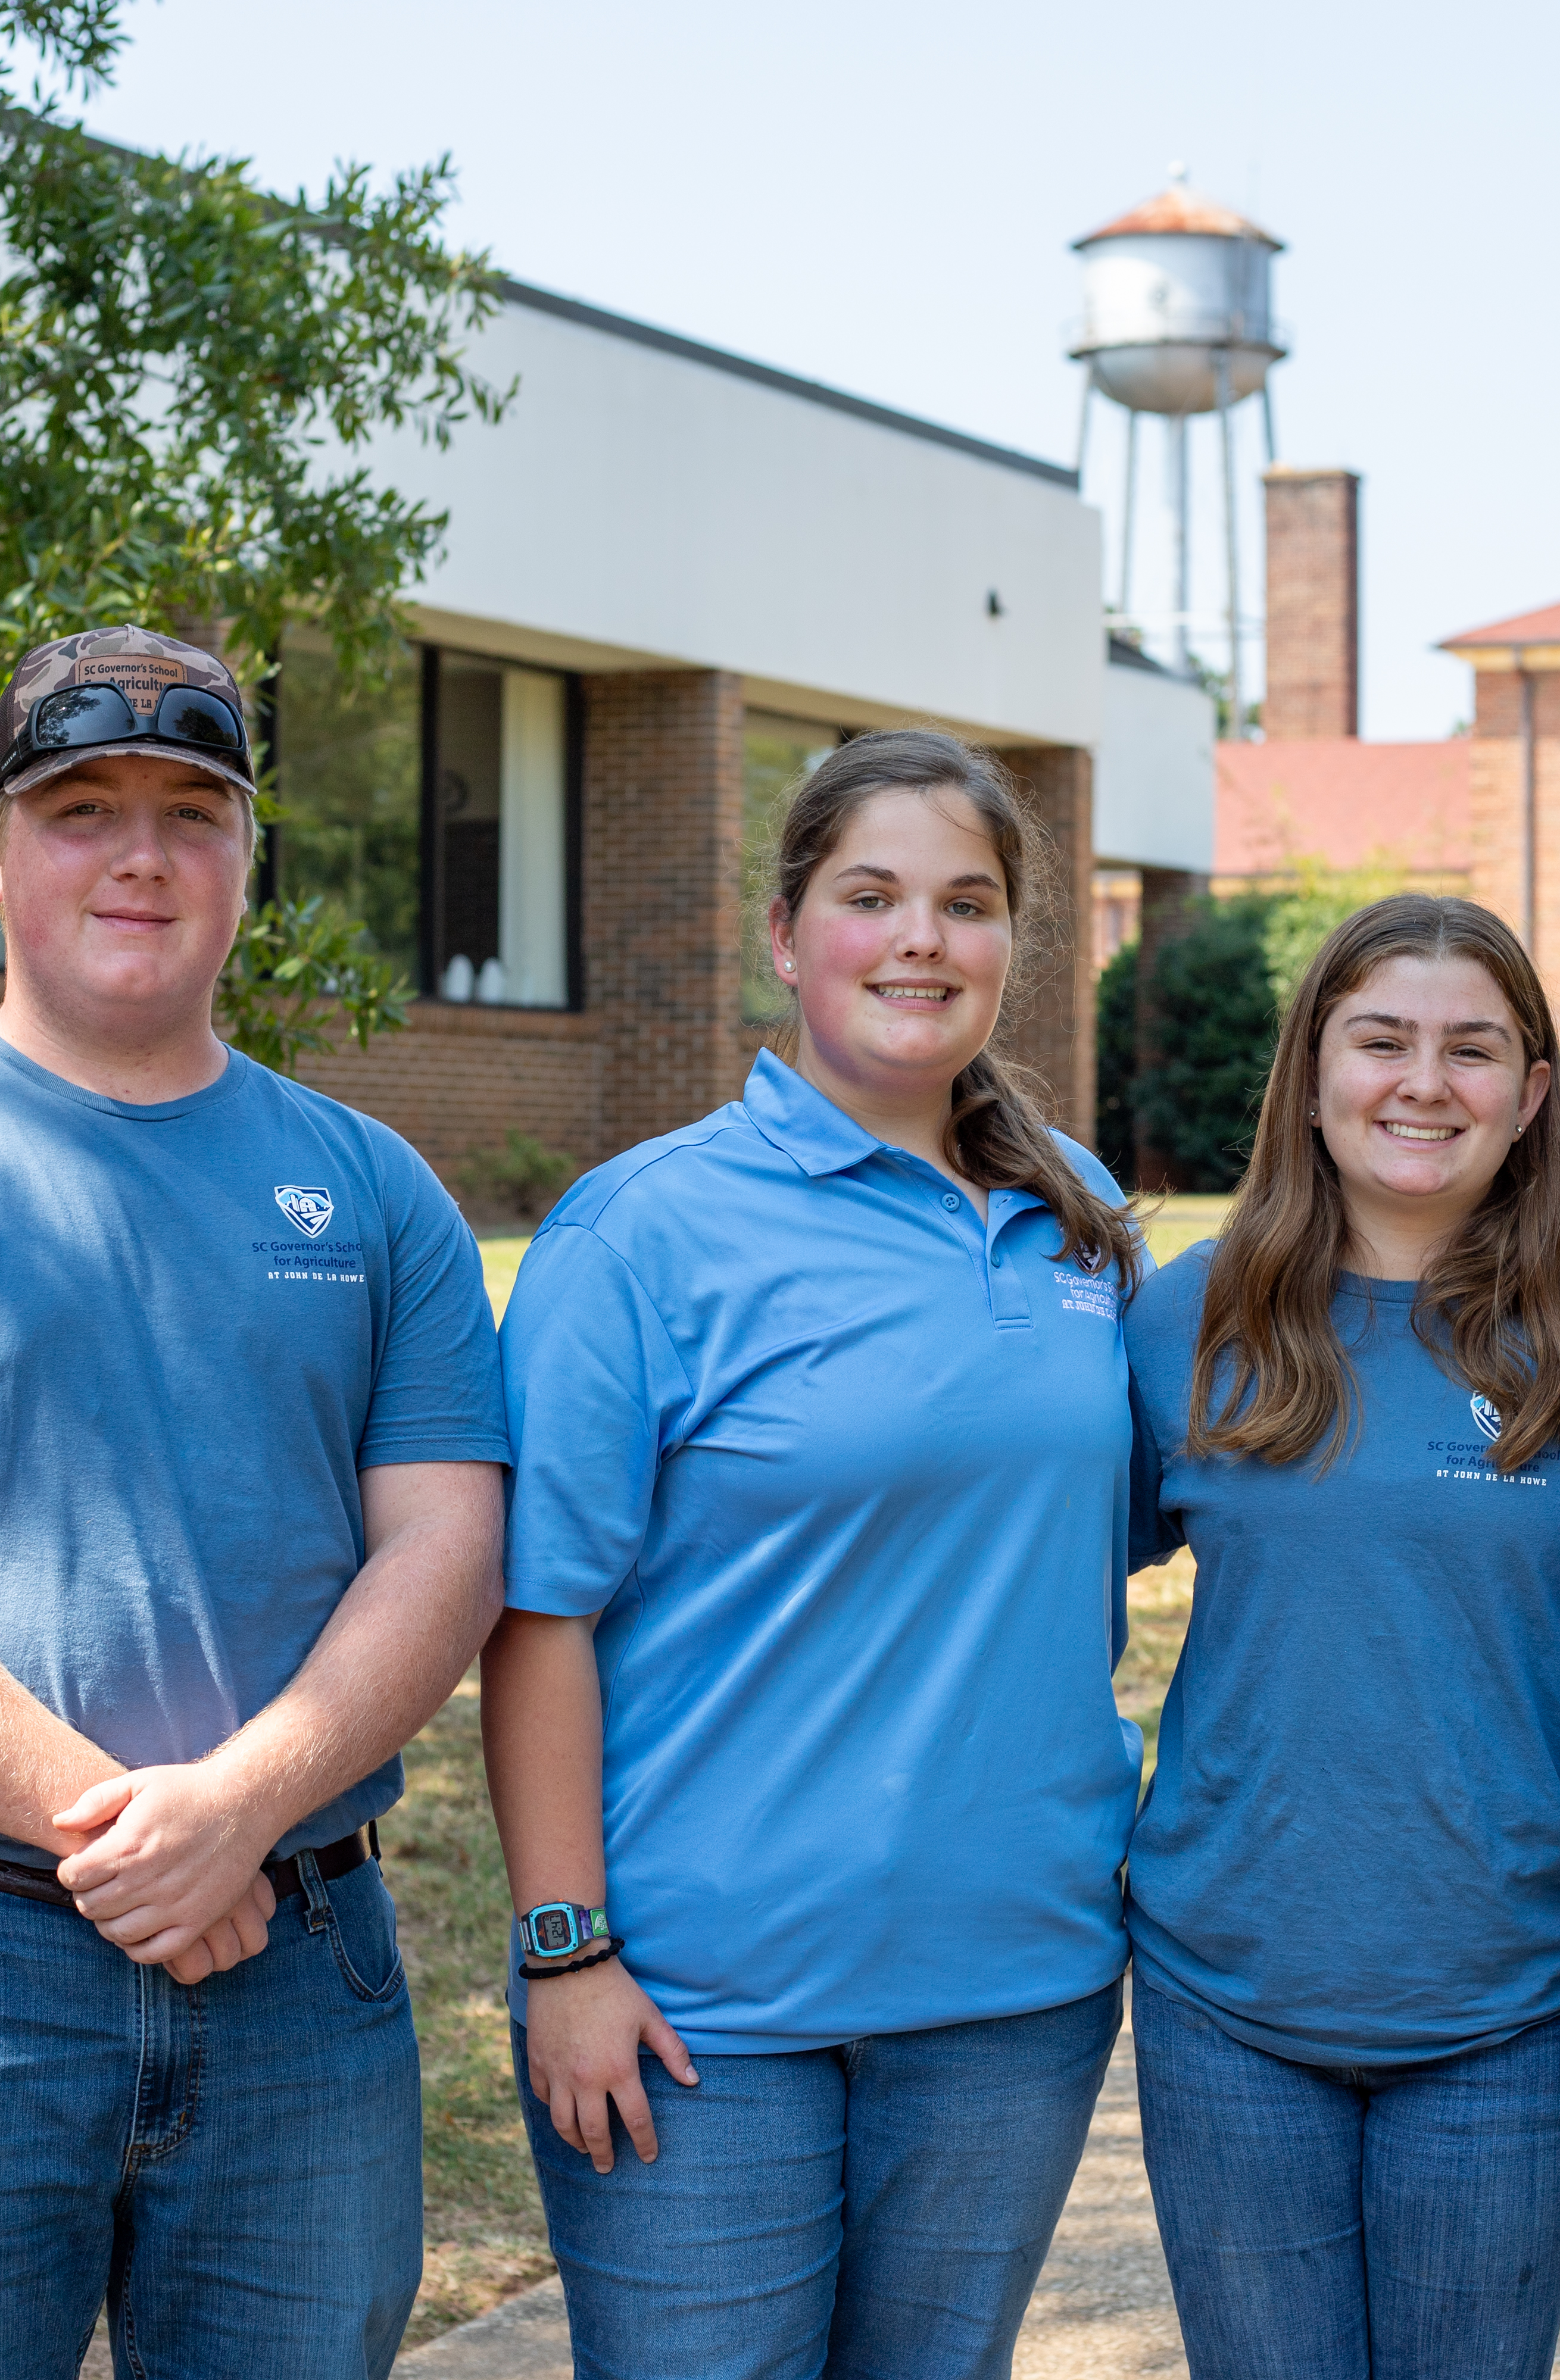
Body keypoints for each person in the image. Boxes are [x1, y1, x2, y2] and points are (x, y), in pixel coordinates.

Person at [0, 626, 508, 2380]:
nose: (140, 852)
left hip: (300, 1972)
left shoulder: (375, 1193)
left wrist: (246, 1812)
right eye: (80, 806)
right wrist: (145, 1839)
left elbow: (447, 1545)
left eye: (191, 808)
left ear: (248, 853)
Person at [483, 728, 1147, 2380]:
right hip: (702, 2015)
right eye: (872, 895)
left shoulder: (1081, 1217)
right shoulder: (639, 1232)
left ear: (1010, 948)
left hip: (1015, 1994)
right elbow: (536, 1617)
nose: (922, 938)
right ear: (785, 937)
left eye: (966, 903)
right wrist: (567, 1949)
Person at [1125, 895, 1560, 2380]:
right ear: (1312, 1072)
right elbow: (1029, 1600)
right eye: (1383, 1040)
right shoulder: (1184, 1320)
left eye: (1473, 1048)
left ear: (1533, 1093)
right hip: (1226, 1991)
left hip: (1516, 1995)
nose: (1425, 1082)